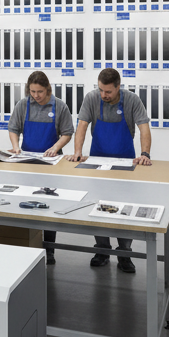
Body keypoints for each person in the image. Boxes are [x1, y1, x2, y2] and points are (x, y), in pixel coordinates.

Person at [66, 68, 152, 273]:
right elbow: (82, 126)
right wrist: (77, 151)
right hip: (98, 160)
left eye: (108, 92)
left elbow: (144, 128)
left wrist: (145, 154)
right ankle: (102, 250)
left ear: (118, 87)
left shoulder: (132, 100)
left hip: (125, 162)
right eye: (101, 90)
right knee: (99, 206)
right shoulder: (92, 98)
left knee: (123, 208)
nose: (103, 95)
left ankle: (125, 254)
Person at [8, 71, 74, 265]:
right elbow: (13, 129)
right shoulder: (23, 104)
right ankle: (27, 244)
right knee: (26, 201)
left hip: (51, 164)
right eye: (32, 91)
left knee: (48, 206)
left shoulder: (59, 106)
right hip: (28, 161)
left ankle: (49, 248)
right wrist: (15, 147)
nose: (36, 95)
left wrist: (55, 148)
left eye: (40, 92)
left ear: (48, 89)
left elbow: (67, 133)